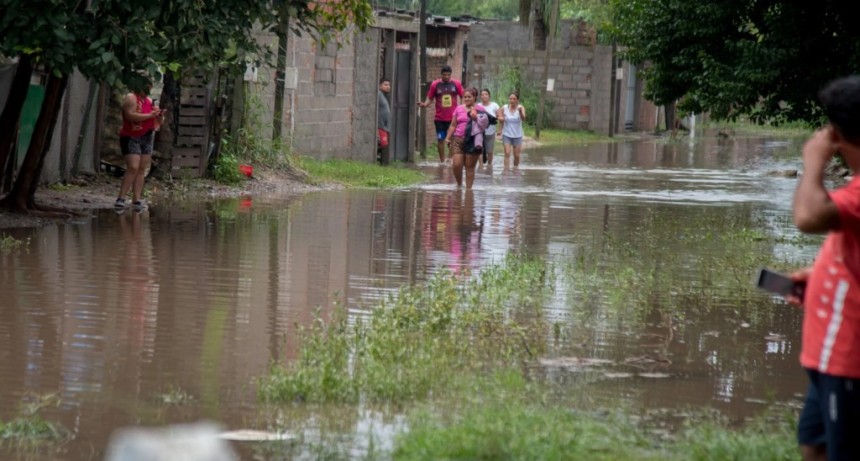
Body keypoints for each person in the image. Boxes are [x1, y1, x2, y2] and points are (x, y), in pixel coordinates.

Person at [787, 75, 860, 461]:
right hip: (826, 354)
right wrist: (817, 279)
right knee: (813, 442)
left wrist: (813, 163)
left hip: (849, 357)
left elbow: (809, 217)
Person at [115, 78, 163, 211]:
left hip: (147, 136)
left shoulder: (149, 101)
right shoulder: (131, 97)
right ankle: (121, 197)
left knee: (142, 168)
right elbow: (130, 116)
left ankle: (136, 199)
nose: (149, 90)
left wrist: (158, 116)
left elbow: (157, 123)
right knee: (133, 167)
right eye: (147, 87)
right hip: (131, 136)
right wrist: (149, 115)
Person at [444, 87, 488, 189]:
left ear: (475, 97)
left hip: (473, 140)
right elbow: (453, 125)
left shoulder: (480, 110)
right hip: (458, 139)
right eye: (465, 97)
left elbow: (484, 125)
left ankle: (469, 190)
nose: (467, 99)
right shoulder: (458, 109)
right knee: (457, 164)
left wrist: (475, 117)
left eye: (469, 97)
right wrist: (448, 137)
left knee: (470, 166)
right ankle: (459, 184)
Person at [418, 66, 464, 164]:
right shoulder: (435, 84)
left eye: (448, 75)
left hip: (453, 119)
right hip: (439, 119)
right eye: (444, 75)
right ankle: (442, 161)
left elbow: (463, 96)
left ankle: (449, 158)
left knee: (452, 140)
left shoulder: (456, 84)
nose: (446, 77)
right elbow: (430, 98)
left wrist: (464, 109)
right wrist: (425, 104)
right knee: (440, 139)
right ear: (441, 74)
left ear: (451, 75)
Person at [498, 92, 526, 169]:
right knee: (507, 153)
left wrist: (520, 112)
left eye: (514, 99)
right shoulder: (504, 108)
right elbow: (500, 118)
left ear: (517, 100)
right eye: (510, 99)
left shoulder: (521, 107)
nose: (512, 100)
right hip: (507, 134)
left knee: (516, 155)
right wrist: (500, 129)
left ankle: (515, 169)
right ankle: (506, 171)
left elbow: (523, 118)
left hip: (518, 135)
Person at [478, 89, 500, 167]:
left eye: (486, 94)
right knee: (479, 148)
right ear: (480, 96)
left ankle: (489, 166)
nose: (484, 96)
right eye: (482, 94)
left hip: (491, 130)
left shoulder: (494, 105)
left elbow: (499, 117)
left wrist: (500, 129)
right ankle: (480, 166)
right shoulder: (478, 106)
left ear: (489, 96)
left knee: (489, 150)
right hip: (479, 131)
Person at [377, 78, 391, 162]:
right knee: (382, 143)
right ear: (379, 86)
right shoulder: (378, 94)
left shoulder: (383, 95)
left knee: (384, 143)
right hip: (380, 125)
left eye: (389, 85)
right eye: (385, 85)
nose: (388, 87)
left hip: (384, 125)